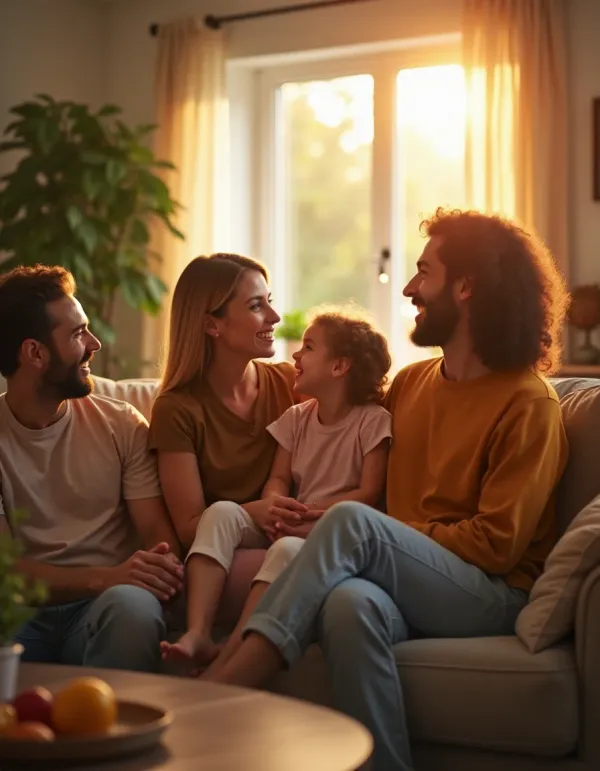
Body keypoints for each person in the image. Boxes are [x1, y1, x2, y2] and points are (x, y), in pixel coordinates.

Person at [202, 209, 570, 771]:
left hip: (491, 594)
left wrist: (371, 534)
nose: (408, 287)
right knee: (349, 604)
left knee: (350, 522)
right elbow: (343, 432)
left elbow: (498, 546)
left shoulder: (529, 404)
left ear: (467, 286)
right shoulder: (411, 384)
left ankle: (227, 683)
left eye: (425, 271)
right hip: (403, 581)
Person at [161, 306, 393, 672]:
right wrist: (273, 502)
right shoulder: (296, 418)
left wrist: (309, 513)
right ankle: (198, 632)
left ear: (339, 367)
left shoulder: (372, 422)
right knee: (221, 511)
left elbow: (368, 493)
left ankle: (235, 645)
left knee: (286, 549)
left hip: (330, 530)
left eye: (309, 347)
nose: (296, 355)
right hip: (289, 517)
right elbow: (279, 477)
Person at [0, 265, 183, 672]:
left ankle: (119, 734)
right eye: (77, 333)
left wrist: (151, 569)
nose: (94, 343)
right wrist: (108, 575)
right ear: (35, 353)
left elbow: (157, 535)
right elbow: (5, 571)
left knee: (134, 606)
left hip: (104, 609)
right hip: (19, 615)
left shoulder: (122, 423)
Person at [148, 253, 304, 661]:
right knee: (295, 563)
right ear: (211, 324)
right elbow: (189, 527)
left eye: (269, 300)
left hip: (282, 539)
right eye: (256, 306)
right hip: (215, 558)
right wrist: (259, 510)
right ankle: (213, 644)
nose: (273, 315)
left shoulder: (290, 383)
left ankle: (227, 655)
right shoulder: (177, 409)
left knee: (297, 558)